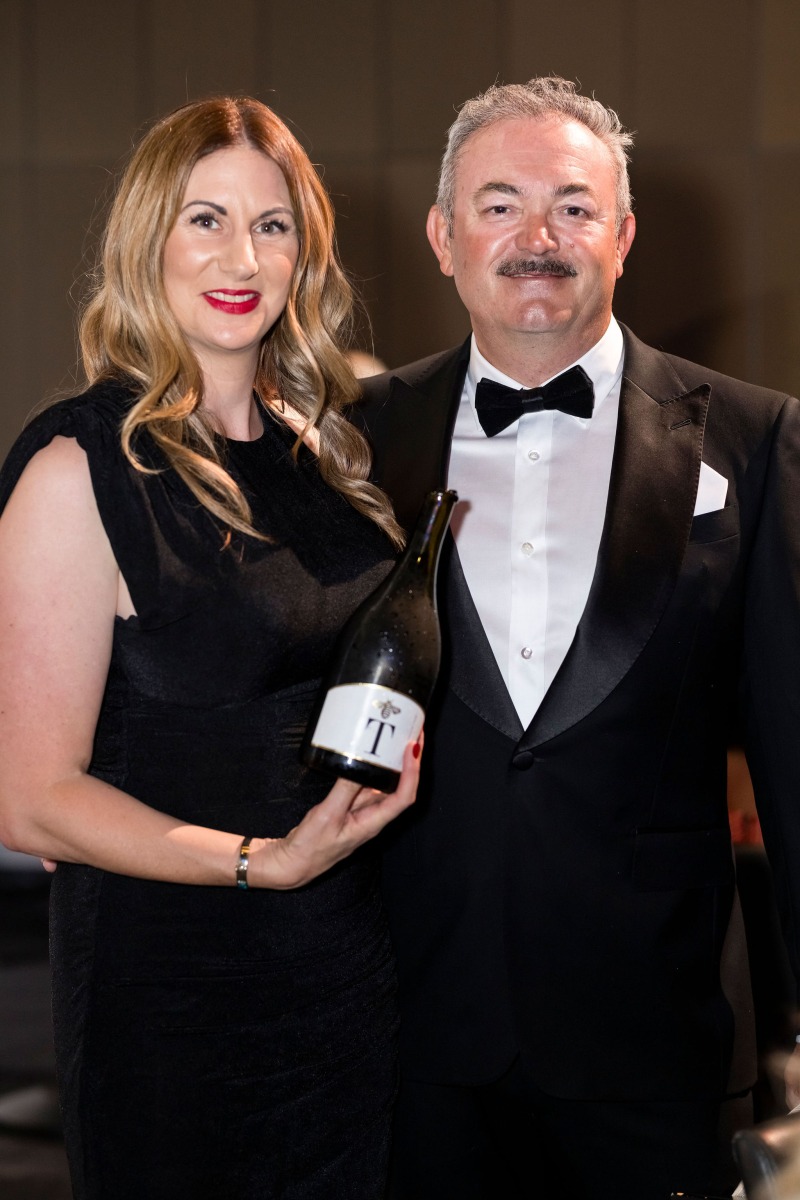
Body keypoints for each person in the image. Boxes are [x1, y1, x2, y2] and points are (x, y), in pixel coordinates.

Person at [359, 76, 800, 1200]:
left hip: (657, 1044)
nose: (537, 238)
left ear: (623, 236)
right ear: (443, 237)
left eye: (571, 205)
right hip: (407, 1041)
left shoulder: (757, 441)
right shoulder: (351, 443)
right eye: (499, 204)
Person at [0, 96, 420, 1200]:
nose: (241, 258)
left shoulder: (325, 456)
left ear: (303, 254)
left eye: (271, 226)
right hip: (175, 996)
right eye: (206, 220)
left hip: (348, 970)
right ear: (149, 239)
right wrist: (257, 861)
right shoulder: (76, 470)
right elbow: (31, 800)